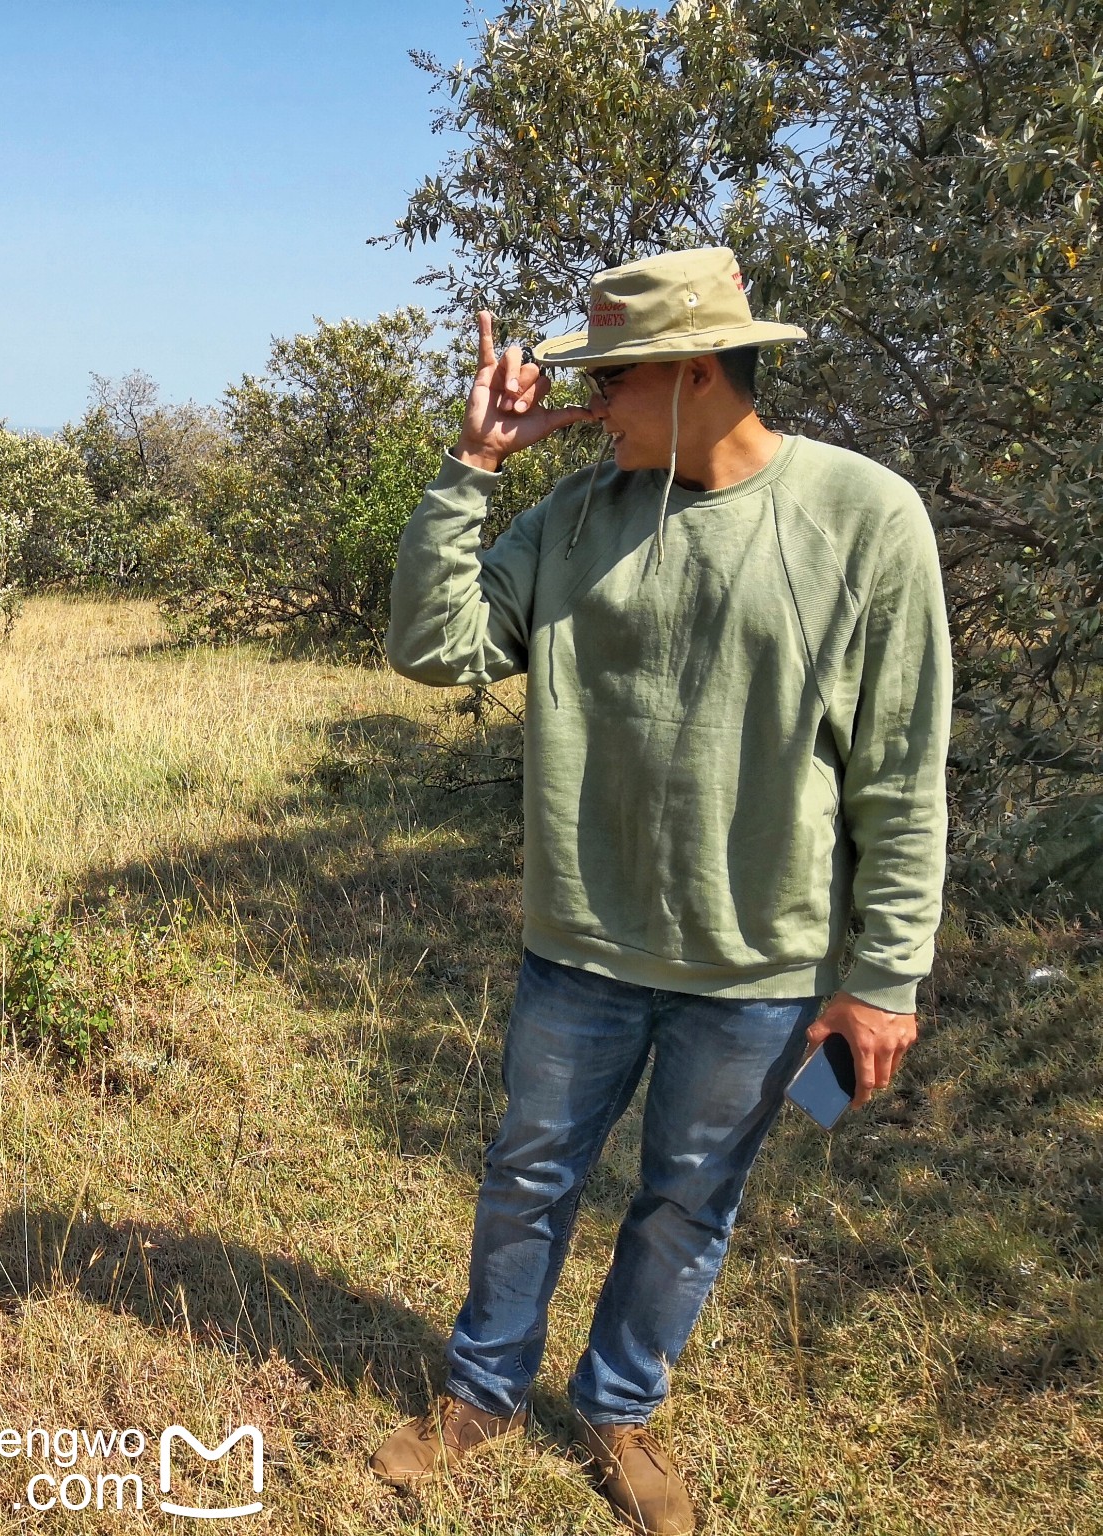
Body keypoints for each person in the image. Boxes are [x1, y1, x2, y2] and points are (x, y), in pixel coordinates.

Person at [370, 247, 950, 1535]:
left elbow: (903, 772)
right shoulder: (577, 516)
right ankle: (481, 1393)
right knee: (529, 1176)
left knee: (689, 1203)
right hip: (581, 936)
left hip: (760, 964)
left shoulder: (863, 517)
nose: (587, 407)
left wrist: (883, 974)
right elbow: (433, 646)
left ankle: (620, 1410)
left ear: (697, 374)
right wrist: (475, 470)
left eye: (610, 383)